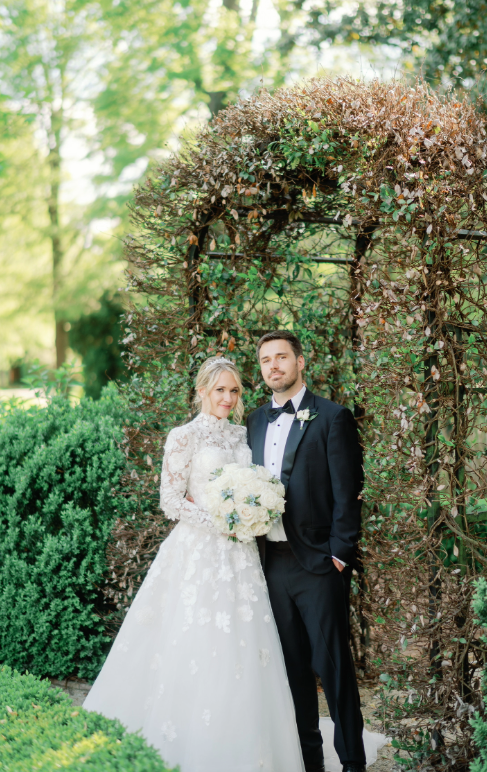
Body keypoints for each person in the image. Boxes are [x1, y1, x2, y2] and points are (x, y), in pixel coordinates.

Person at [83, 356, 305, 772]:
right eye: (219, 389)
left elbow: (256, 487)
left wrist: (251, 517)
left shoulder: (243, 435)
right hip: (198, 553)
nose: (227, 397)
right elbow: (171, 500)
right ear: (202, 390)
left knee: (243, 645)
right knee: (194, 639)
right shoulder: (182, 436)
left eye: (234, 390)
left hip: (241, 558)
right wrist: (225, 524)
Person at [246, 330, 374, 772]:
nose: (273, 366)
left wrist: (339, 554)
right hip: (270, 566)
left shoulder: (332, 417)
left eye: (282, 357)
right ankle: (309, 763)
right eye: (265, 360)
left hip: (319, 565)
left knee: (334, 670)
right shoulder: (254, 421)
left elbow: (348, 491)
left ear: (301, 362)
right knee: (292, 673)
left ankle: (353, 764)